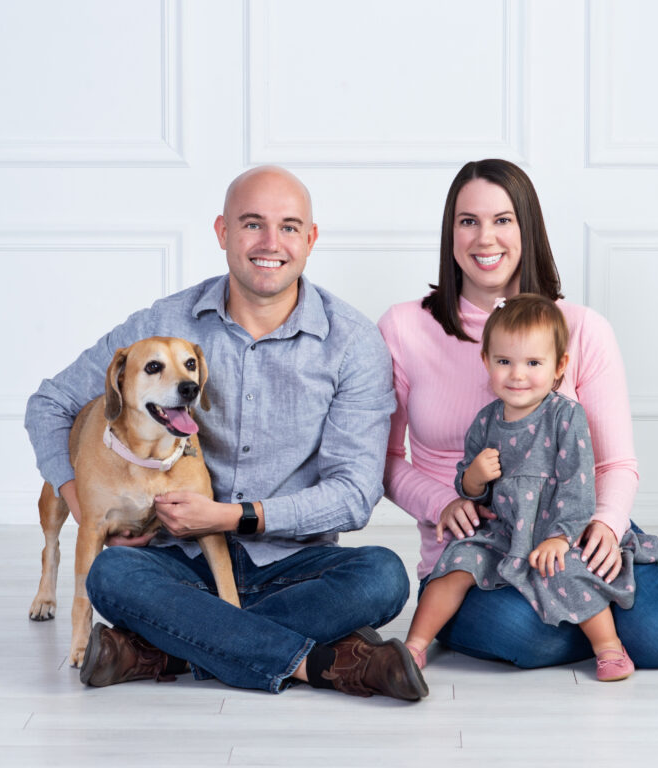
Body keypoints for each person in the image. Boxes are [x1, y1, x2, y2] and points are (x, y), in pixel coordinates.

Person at [25, 165, 428, 701]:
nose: (270, 243)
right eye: (252, 224)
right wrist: (81, 503)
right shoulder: (162, 322)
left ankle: (160, 649)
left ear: (310, 239)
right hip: (177, 558)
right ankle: (325, 664)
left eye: (288, 227)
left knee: (383, 576)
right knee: (112, 574)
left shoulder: (352, 342)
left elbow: (354, 496)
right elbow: (49, 403)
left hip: (294, 562)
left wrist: (235, 516)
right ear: (222, 232)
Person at [379, 158, 658, 672]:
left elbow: (616, 463)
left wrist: (607, 524)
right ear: (451, 231)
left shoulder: (581, 329)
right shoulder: (403, 327)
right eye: (469, 221)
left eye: (503, 220)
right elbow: (387, 459)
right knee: (531, 638)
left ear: (528, 228)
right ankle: (609, 631)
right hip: (473, 548)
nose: (485, 238)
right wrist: (442, 500)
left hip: (567, 525)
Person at [404, 294, 658, 682]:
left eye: (533, 363)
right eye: (504, 362)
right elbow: (472, 491)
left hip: (555, 529)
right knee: (456, 565)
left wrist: (562, 537)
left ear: (559, 365)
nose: (517, 375)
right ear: (487, 362)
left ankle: (608, 648)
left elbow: (578, 485)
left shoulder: (564, 416)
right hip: (503, 532)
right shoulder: (486, 421)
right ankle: (413, 647)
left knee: (569, 572)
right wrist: (474, 477)